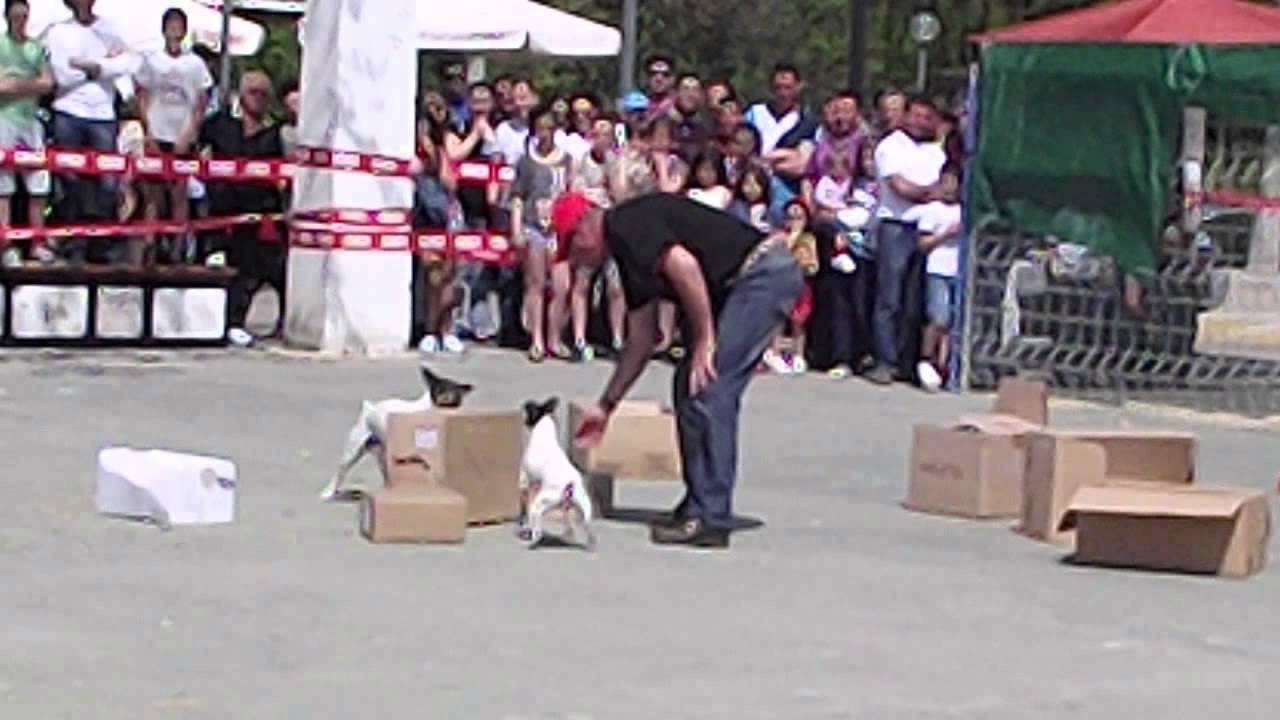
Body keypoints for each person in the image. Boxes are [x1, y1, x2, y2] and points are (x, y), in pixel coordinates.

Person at [553, 191, 803, 548]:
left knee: (711, 386)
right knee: (687, 383)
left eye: (572, 246)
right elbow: (640, 342)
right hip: (738, 285)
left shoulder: (625, 224)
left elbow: (685, 268)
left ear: (585, 229)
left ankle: (711, 517)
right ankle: (697, 502)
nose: (576, 258)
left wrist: (704, 340)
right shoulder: (626, 255)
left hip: (761, 275)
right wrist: (606, 406)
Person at [44, 0, 139, 259]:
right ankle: (73, 241)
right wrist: (96, 70)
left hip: (103, 114)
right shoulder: (58, 32)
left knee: (108, 182)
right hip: (67, 111)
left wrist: (95, 67)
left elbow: (130, 63)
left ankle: (102, 243)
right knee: (71, 180)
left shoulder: (111, 29)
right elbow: (61, 75)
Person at [198, 70, 285, 347]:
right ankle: (211, 322)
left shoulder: (273, 136)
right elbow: (194, 146)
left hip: (257, 214)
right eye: (253, 92)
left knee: (259, 269)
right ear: (240, 94)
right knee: (216, 263)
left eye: (263, 94)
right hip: (219, 211)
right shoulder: (221, 126)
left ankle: (238, 321)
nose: (258, 99)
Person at [868, 95, 947, 385]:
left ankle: (907, 361)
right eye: (916, 115)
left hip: (926, 227)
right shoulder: (890, 147)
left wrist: (931, 193)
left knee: (915, 301)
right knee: (889, 298)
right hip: (896, 226)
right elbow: (900, 188)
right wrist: (931, 192)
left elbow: (947, 185)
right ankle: (883, 360)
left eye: (928, 117)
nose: (921, 122)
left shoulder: (935, 152)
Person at [135, 7, 213, 265]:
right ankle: (150, 244)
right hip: (157, 131)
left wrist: (190, 132)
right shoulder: (152, 60)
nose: (174, 30)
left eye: (179, 25)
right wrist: (147, 132)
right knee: (153, 194)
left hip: (181, 134)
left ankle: (178, 246)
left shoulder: (195, 64)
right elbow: (142, 95)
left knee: (179, 192)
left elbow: (202, 101)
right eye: (170, 25)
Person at [510, 103, 572, 362]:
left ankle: (554, 338)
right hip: (534, 225)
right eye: (540, 129)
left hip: (559, 228)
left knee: (562, 286)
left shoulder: (566, 160)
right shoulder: (526, 162)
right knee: (534, 284)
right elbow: (517, 197)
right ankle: (536, 339)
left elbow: (570, 193)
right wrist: (516, 229)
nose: (544, 133)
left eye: (549, 128)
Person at [0, 0, 54, 266]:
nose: (20, 20)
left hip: (31, 121)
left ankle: (37, 243)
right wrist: (30, 84)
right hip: (4, 120)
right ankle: (5, 245)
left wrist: (16, 83)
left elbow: (48, 82)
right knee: (3, 186)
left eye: (24, 15)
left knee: (38, 184)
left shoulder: (36, 47)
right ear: (7, 16)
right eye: (16, 15)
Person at [905, 162, 963, 393]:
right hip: (938, 269)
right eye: (945, 182)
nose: (949, 188)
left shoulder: (963, 211)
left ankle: (944, 366)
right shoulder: (933, 211)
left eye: (954, 183)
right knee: (938, 318)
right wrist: (946, 234)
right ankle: (926, 359)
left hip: (957, 271)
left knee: (952, 323)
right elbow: (923, 244)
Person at [762, 199, 818, 375]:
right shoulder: (780, 237)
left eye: (799, 218)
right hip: (781, 283)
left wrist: (808, 265)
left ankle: (798, 355)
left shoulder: (809, 239)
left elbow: (812, 263)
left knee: (799, 321)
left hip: (801, 283)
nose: (794, 222)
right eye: (790, 218)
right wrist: (791, 236)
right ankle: (775, 352)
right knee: (779, 319)